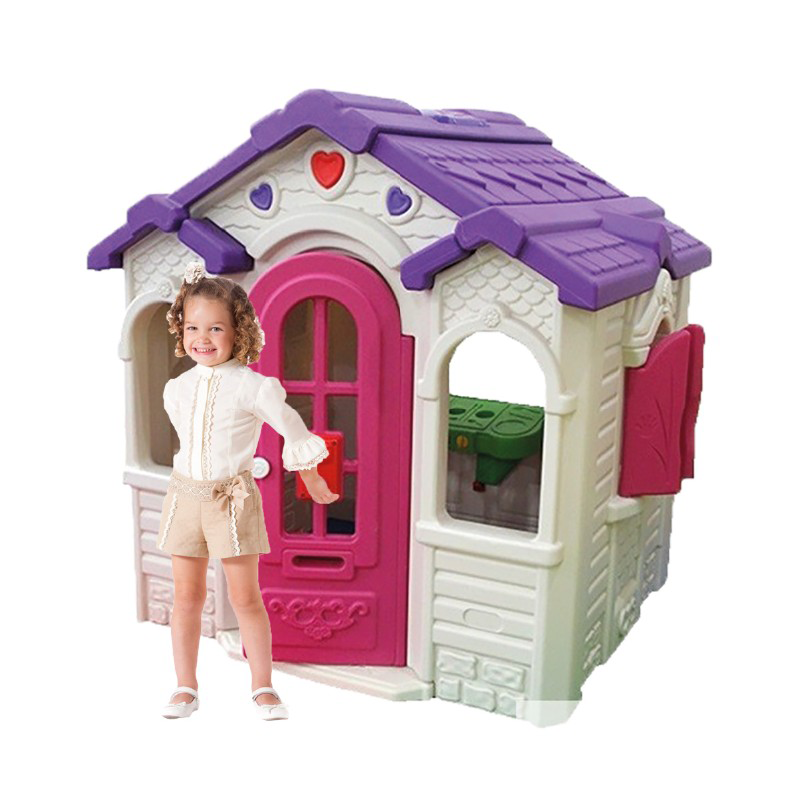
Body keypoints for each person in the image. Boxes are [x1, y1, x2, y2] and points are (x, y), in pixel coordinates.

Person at [157, 260, 339, 721]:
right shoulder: (177, 388)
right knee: (186, 597)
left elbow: (292, 427)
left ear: (238, 331)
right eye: (193, 327)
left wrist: (311, 476)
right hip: (184, 497)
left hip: (230, 501)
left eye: (215, 328)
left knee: (245, 598)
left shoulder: (254, 387)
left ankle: (263, 685)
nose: (202, 338)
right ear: (181, 329)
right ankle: (185, 685)